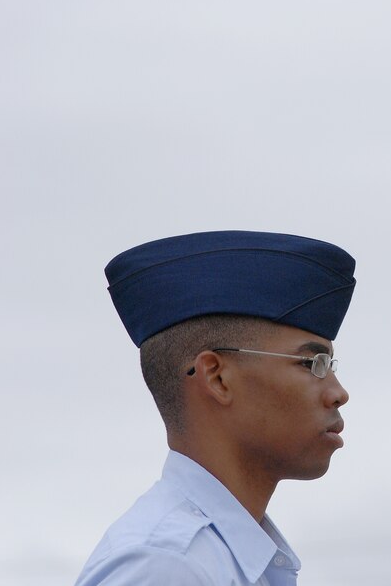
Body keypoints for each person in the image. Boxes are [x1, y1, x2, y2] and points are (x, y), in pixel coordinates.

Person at [75, 230, 357, 586]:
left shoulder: (224, 561)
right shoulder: (166, 567)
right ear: (217, 378)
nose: (338, 393)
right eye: (311, 363)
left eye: (331, 365)